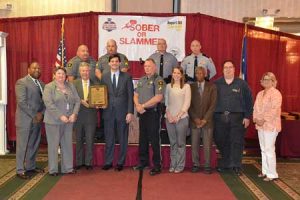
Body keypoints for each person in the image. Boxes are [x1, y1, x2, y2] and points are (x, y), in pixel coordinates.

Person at [214, 60, 253, 176]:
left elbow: (249, 101)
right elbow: (211, 101)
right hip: (220, 117)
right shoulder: (216, 83)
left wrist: (247, 117)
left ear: (234, 69)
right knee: (222, 140)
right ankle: (226, 163)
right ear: (222, 69)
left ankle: (236, 165)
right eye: (226, 67)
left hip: (237, 117)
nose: (228, 69)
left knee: (237, 141)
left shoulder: (242, 84)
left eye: (230, 67)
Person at [43, 67, 80, 176]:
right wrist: (60, 116)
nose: (61, 76)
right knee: (53, 146)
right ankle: (53, 170)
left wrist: (74, 113)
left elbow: (77, 101)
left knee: (67, 144)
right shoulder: (49, 87)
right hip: (53, 121)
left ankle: (68, 168)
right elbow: (49, 104)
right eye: (58, 74)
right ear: (54, 75)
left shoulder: (71, 86)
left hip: (69, 121)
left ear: (66, 76)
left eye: (63, 74)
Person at [101, 54, 134, 171]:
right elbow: (101, 94)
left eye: (116, 61)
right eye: (112, 61)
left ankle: (120, 162)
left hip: (123, 112)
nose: (114, 63)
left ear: (120, 63)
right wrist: (99, 103)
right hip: (108, 112)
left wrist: (130, 112)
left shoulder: (127, 77)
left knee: (122, 138)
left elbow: (131, 96)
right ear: (109, 63)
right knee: (109, 138)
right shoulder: (104, 77)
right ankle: (108, 161)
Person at [133, 58, 166, 176]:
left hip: (153, 112)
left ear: (155, 67)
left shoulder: (159, 80)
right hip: (142, 112)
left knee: (154, 139)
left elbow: (158, 98)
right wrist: (137, 105)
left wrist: (143, 106)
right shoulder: (141, 80)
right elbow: (135, 95)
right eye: (145, 66)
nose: (147, 68)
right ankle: (143, 162)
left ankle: (157, 165)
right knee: (143, 138)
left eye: (149, 66)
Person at [15, 61, 45, 179]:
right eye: (34, 68)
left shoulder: (42, 84)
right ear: (28, 70)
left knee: (34, 144)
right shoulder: (22, 82)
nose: (37, 69)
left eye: (38, 68)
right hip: (25, 120)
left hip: (37, 120)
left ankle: (30, 167)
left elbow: (44, 102)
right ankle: (20, 169)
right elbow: (21, 102)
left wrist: (41, 114)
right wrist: (34, 115)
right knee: (22, 145)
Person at [253, 72, 282, 181]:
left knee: (269, 149)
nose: (266, 81)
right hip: (260, 125)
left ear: (273, 81)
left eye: (268, 79)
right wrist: (255, 118)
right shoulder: (260, 93)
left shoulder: (276, 94)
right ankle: (265, 171)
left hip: (271, 125)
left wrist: (263, 120)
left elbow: (274, 110)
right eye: (264, 79)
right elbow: (255, 107)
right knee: (263, 149)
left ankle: (272, 174)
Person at [189, 66, 217, 174]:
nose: (199, 75)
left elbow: (213, 104)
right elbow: (189, 105)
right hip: (194, 120)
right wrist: (195, 118)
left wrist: (205, 119)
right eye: (197, 73)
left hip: (208, 121)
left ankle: (207, 165)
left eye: (201, 73)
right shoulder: (191, 87)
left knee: (207, 144)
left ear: (205, 74)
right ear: (195, 75)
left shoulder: (212, 87)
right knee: (194, 144)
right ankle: (195, 164)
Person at [73, 62, 99, 170]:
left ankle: (88, 162)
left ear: (90, 71)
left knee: (89, 140)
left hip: (91, 116)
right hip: (78, 116)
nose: (85, 73)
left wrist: (98, 104)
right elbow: (70, 98)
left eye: (87, 70)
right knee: (78, 140)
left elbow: (100, 99)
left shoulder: (96, 84)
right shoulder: (73, 84)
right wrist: (80, 101)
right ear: (80, 72)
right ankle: (79, 162)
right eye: (83, 70)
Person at [165, 66, 191, 173]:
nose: (176, 75)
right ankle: (173, 164)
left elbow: (187, 103)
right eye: (174, 73)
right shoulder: (168, 86)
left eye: (178, 73)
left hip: (182, 118)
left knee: (181, 143)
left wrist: (178, 116)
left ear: (181, 75)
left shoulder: (186, 87)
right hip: (169, 119)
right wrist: (169, 115)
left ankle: (180, 165)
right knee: (173, 143)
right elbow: (166, 103)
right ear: (172, 74)